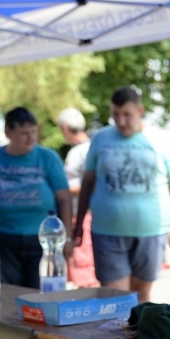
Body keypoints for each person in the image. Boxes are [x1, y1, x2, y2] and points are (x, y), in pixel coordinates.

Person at [74, 87, 170, 305]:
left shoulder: (161, 140)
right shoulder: (101, 138)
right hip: (107, 231)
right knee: (115, 299)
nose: (121, 121)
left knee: (141, 295)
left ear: (140, 110)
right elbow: (87, 182)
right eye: (116, 115)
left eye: (127, 114)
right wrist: (78, 225)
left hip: (152, 231)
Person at [0, 107, 73, 289]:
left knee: (38, 293)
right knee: (7, 294)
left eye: (33, 132)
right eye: (24, 133)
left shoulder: (47, 157)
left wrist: (66, 237)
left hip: (41, 240)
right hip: (4, 239)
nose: (30, 138)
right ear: (8, 132)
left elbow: (64, 199)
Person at [57, 107, 98, 290]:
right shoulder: (95, 146)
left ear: (65, 128)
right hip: (97, 213)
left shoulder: (77, 153)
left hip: (81, 214)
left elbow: (73, 187)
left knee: (83, 269)